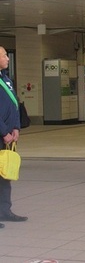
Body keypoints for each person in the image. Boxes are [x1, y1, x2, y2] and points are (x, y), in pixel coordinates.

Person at [0, 46, 28, 227]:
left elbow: (14, 104)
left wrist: (16, 127)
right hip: (2, 134)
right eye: (4, 55)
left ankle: (4, 210)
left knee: (5, 174)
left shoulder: (6, 80)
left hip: (8, 135)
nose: (8, 58)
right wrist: (3, 131)